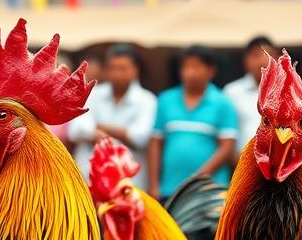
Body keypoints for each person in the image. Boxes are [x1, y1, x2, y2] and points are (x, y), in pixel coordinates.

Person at [146, 45, 238, 199]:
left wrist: (199, 178)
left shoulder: (223, 102)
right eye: (185, 67)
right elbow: (155, 144)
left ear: (211, 70)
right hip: (170, 190)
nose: (189, 72)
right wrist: (154, 186)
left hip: (210, 191)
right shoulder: (165, 100)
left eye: (195, 67)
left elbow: (227, 147)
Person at [66, 44, 158, 181]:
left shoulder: (147, 99)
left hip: (127, 183)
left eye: (122, 69)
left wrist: (100, 129)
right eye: (112, 68)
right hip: (87, 179)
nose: (116, 74)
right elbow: (75, 130)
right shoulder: (93, 93)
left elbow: (139, 137)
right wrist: (120, 135)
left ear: (135, 70)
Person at [222, 35, 278, 154]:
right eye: (256, 55)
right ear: (246, 61)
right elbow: (225, 132)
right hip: (240, 165)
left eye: (268, 55)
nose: (263, 61)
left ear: (277, 59)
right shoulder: (232, 92)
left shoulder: (286, 91)